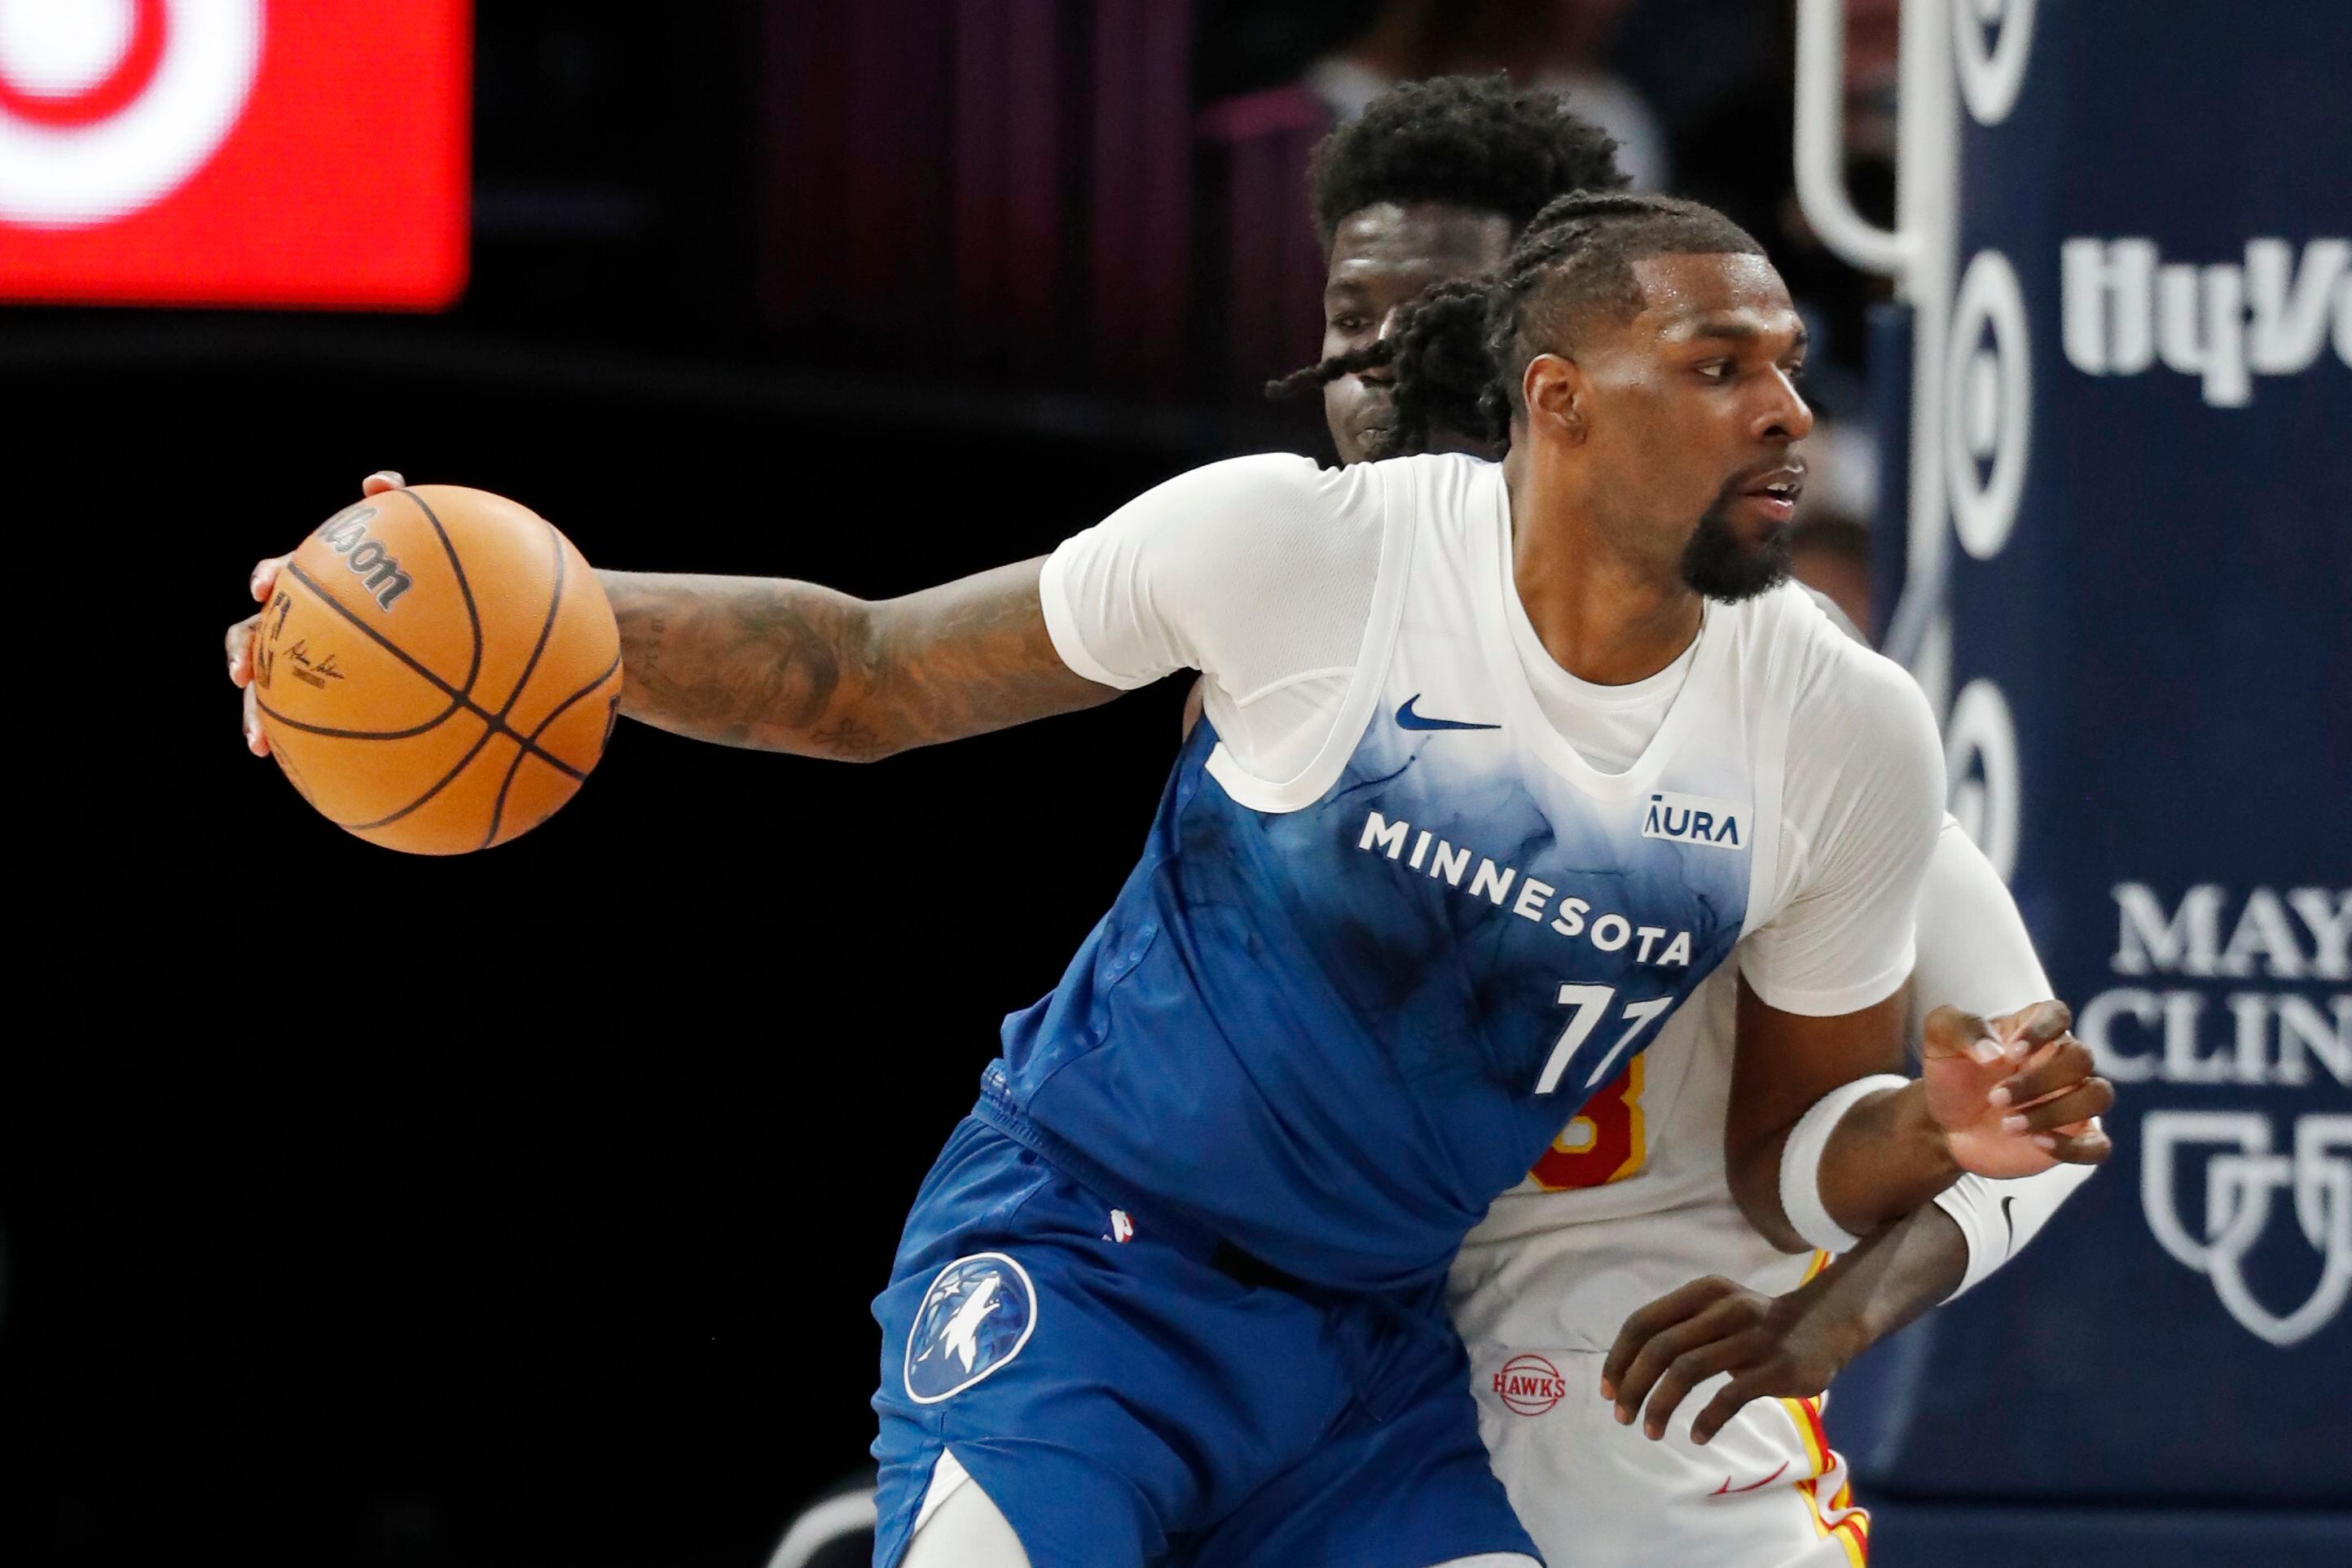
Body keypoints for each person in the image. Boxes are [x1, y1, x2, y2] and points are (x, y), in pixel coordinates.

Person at [225, 188, 2109, 1568]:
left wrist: (1936, 1136)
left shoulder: (1839, 732)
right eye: (1724, 368)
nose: (1791, 411)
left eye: (1790, 369)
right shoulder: (1298, 551)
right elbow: (866, 673)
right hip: (1087, 1257)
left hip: (1375, 1343)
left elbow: (1804, 1149)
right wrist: (539, 613)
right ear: (1558, 403)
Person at [1268, 79, 2108, 1566]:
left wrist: (1832, 1313)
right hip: (1322, 1416)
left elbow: (2024, 1109)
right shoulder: (1269, 630)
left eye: (1448, 334)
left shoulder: (1782, 690)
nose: (1394, 383)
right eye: (1355, 338)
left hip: (1624, 1422)